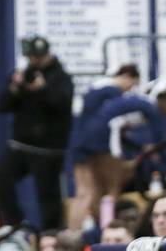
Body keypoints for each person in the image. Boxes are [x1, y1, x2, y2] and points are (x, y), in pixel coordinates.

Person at [0, 36, 74, 230]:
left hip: (48, 148)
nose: (35, 61)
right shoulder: (24, 74)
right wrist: (15, 87)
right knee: (1, 176)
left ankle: (50, 234)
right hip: (21, 144)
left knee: (47, 195)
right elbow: (3, 104)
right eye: (32, 57)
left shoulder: (61, 78)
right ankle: (15, 224)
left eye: (39, 57)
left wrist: (43, 90)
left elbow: (62, 104)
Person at [67, 64, 141, 230]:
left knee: (86, 193)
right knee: (110, 190)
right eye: (133, 84)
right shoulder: (112, 91)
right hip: (101, 145)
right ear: (127, 76)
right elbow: (114, 123)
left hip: (79, 143)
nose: (130, 90)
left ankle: (76, 233)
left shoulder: (93, 88)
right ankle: (108, 230)